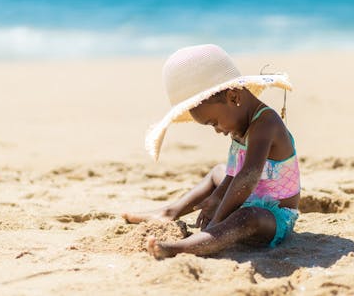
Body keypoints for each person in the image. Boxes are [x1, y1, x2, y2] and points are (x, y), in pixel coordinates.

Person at [122, 44, 300, 259]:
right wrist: (216, 197)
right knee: (219, 171)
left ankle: (180, 248)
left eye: (214, 122)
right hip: (247, 194)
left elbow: (248, 176)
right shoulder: (240, 123)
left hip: (274, 215)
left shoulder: (266, 123)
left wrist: (218, 220)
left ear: (233, 98)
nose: (217, 131)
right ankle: (170, 212)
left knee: (247, 216)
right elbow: (234, 173)